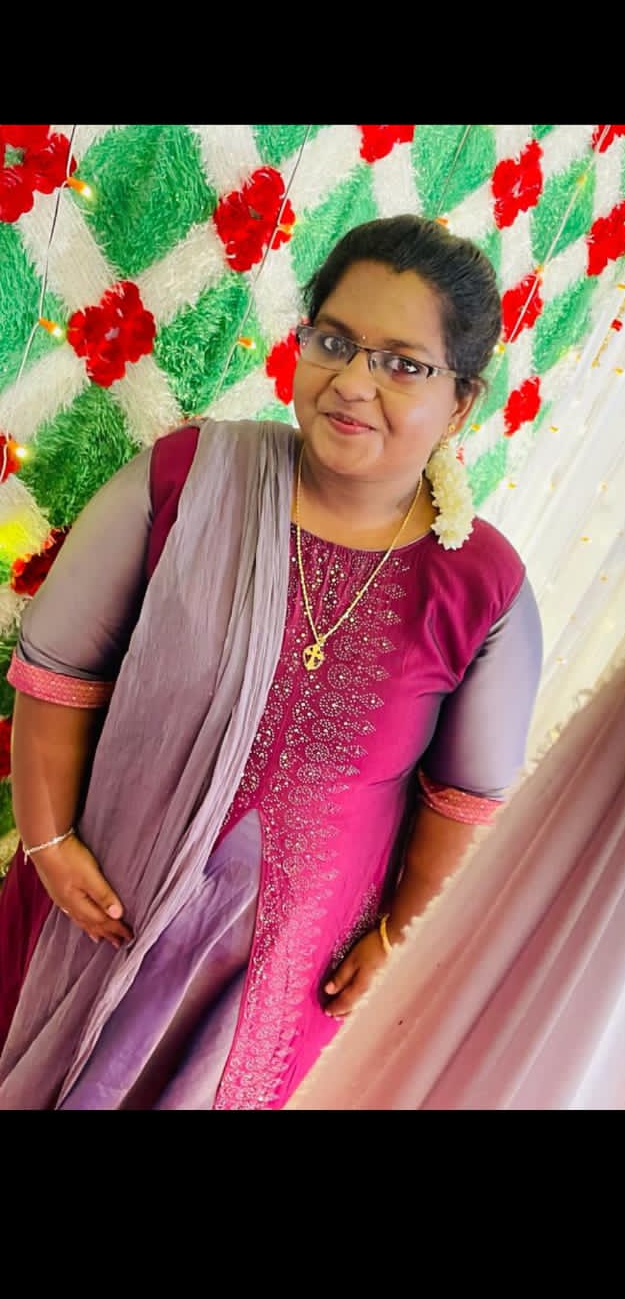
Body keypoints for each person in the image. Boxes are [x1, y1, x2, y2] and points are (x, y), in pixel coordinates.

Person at [0, 213, 543, 1111]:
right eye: (334, 341)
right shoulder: (188, 478)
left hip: (272, 979)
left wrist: (397, 938)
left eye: (403, 364)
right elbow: (60, 668)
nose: (353, 382)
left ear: (461, 403)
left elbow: (463, 801)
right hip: (90, 913)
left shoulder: (480, 586)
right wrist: (50, 841)